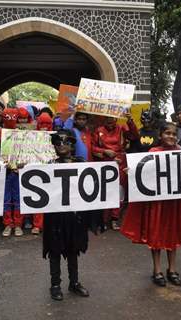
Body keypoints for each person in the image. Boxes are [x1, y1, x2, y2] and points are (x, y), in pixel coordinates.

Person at [121, 122, 181, 287]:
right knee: (156, 234)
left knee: (173, 234)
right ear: (160, 136)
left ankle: (172, 270)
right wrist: (130, 172)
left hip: (174, 202)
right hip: (157, 203)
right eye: (167, 133)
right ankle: (157, 270)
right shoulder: (153, 152)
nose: (171, 137)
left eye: (174, 134)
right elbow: (142, 172)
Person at [44, 129, 92, 301]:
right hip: (55, 216)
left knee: (73, 248)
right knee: (54, 250)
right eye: (58, 142)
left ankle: (74, 282)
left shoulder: (81, 164)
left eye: (66, 142)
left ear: (73, 144)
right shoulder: (48, 165)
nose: (62, 145)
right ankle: (55, 284)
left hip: (74, 214)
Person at [92, 114, 138, 230]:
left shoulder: (122, 128)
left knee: (119, 191)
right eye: (107, 118)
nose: (110, 120)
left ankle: (115, 218)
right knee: (105, 191)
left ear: (116, 118)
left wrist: (130, 121)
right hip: (105, 162)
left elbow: (134, 136)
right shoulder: (99, 130)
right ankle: (104, 219)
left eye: (112, 118)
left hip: (120, 162)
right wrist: (105, 151)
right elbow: (93, 147)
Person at [1, 107, 24, 237]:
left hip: (18, 171)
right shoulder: (0, 133)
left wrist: (23, 163)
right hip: (5, 171)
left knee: (18, 199)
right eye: (7, 117)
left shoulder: (22, 133)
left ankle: (18, 224)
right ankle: (8, 224)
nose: (10, 120)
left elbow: (27, 151)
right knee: (6, 199)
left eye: (12, 117)